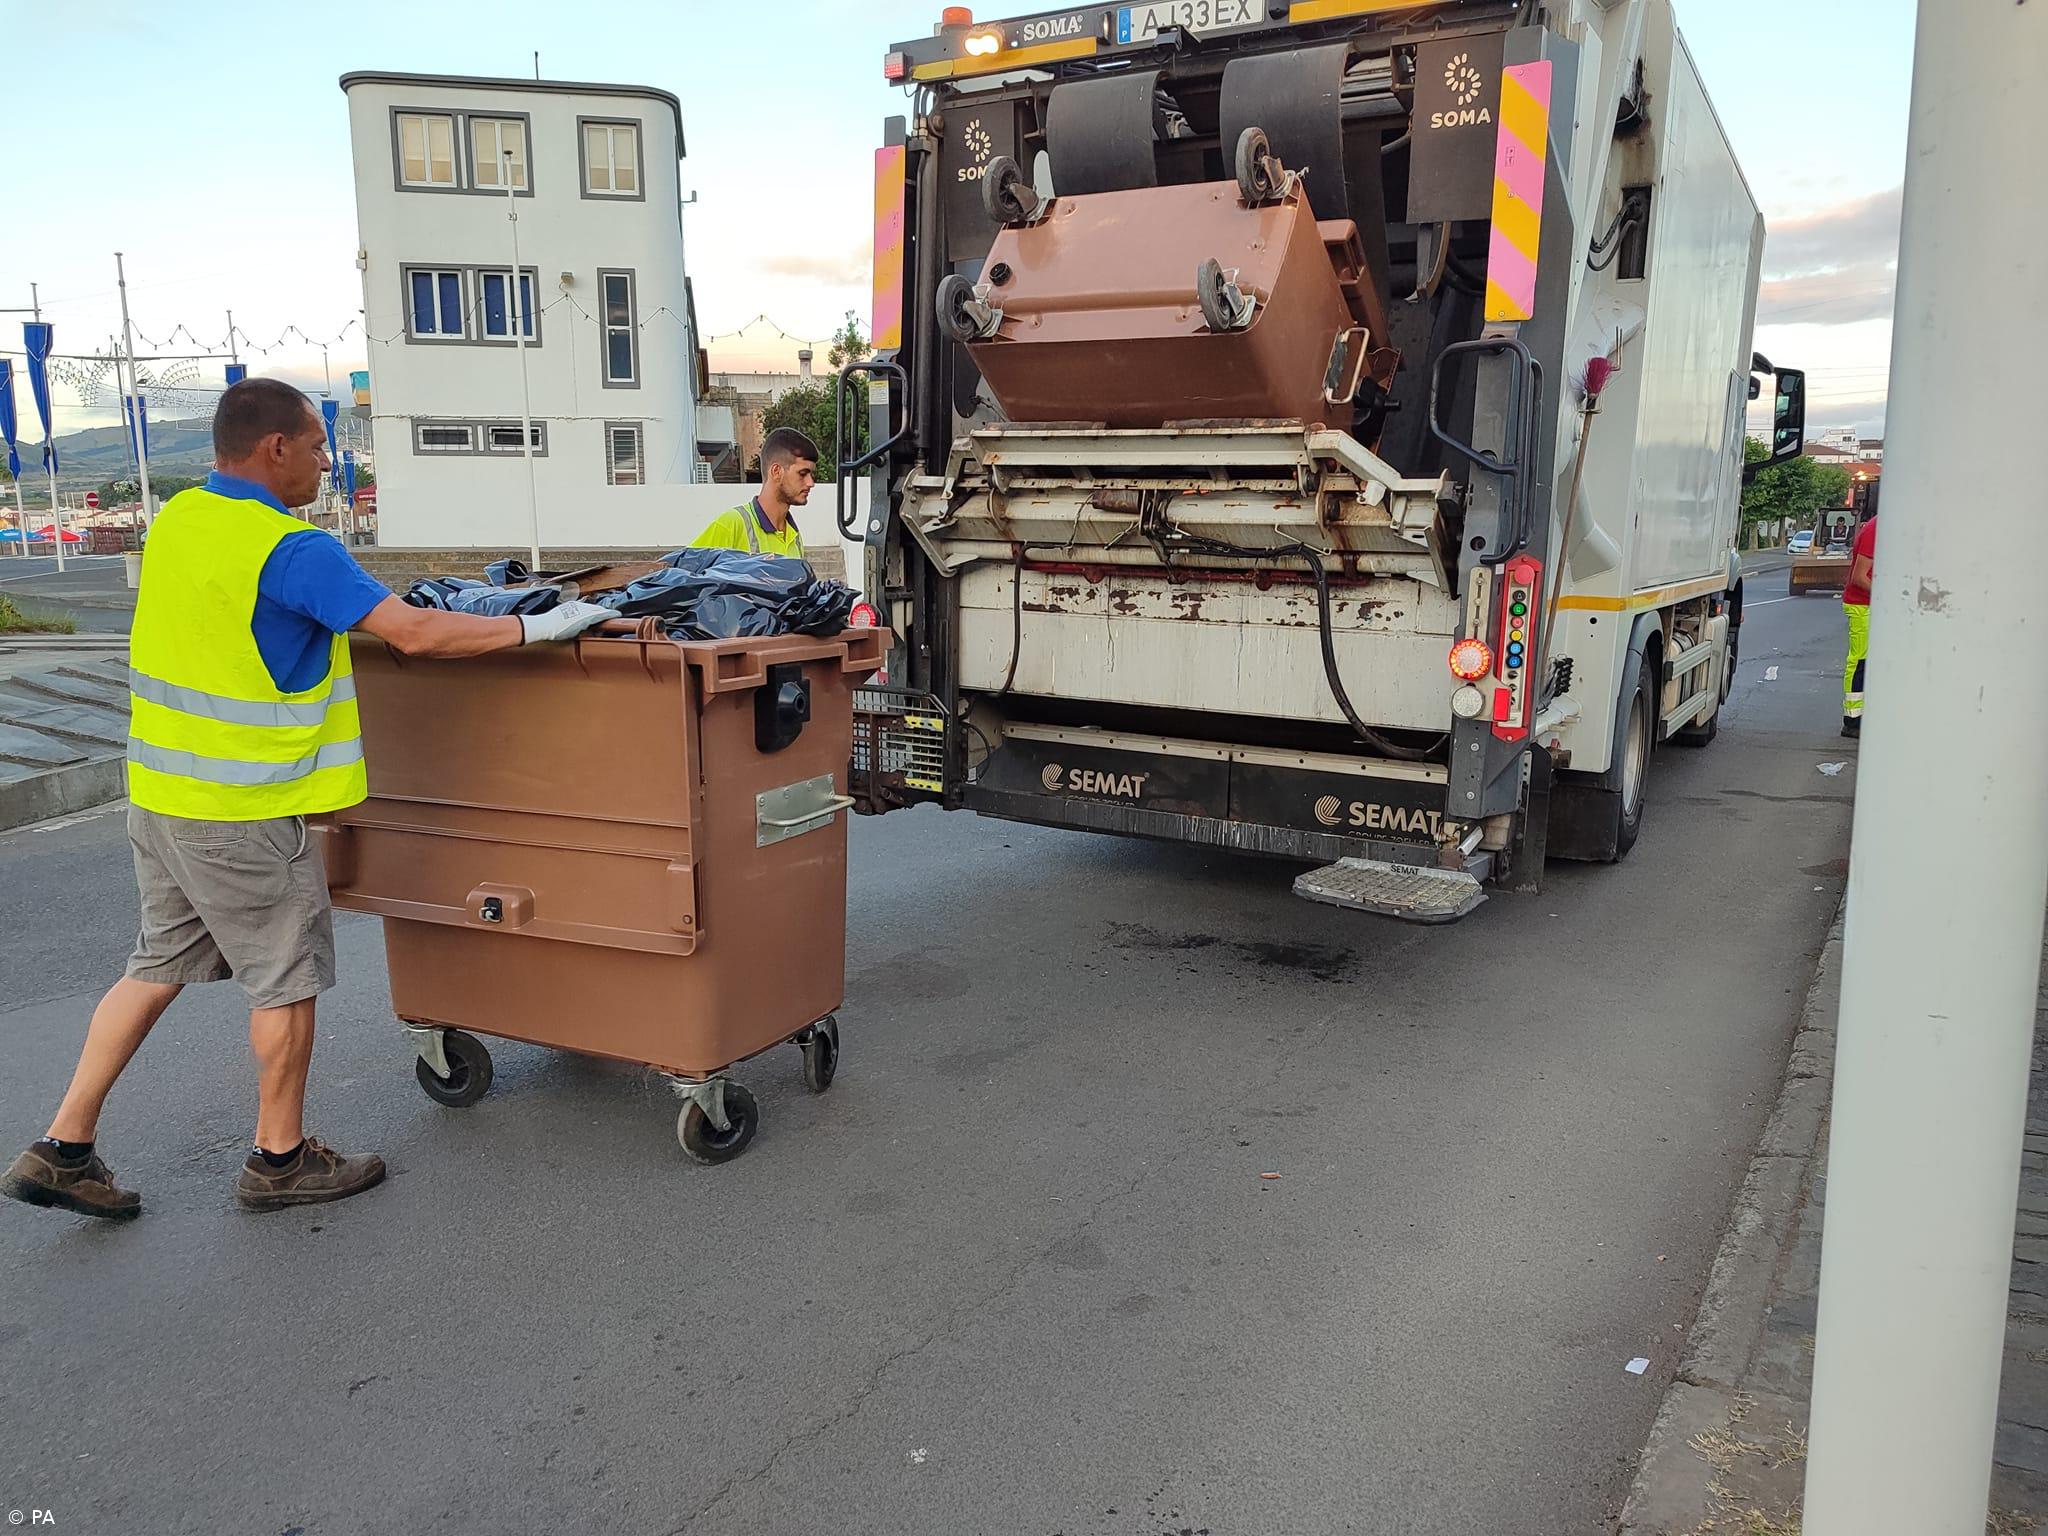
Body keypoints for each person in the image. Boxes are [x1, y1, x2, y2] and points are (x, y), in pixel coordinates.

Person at [2, 377, 611, 1220]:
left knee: (154, 966)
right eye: (317, 446)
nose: (326, 462)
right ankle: (279, 1159)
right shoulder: (290, 549)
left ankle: (63, 1147)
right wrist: (537, 627)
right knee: (284, 983)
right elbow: (418, 633)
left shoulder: (180, 520)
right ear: (274, 449)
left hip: (162, 798)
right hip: (243, 813)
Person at [691, 427, 816, 564]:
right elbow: (682, 574)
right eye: (803, 474)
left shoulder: (794, 537)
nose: (810, 483)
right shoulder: (731, 525)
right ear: (776, 471)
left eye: (811, 474)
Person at [1840, 509, 1878, 738]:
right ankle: (1852, 721)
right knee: (1859, 660)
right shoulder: (1876, 530)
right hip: (1862, 605)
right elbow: (1859, 576)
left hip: (1870, 604)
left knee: (1868, 661)